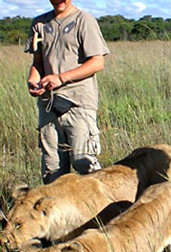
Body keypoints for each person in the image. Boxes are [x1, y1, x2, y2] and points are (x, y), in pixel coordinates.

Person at [25, 0, 110, 184]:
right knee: (52, 170)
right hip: (48, 105)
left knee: (85, 166)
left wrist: (61, 78)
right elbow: (37, 63)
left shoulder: (84, 20)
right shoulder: (39, 24)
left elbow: (97, 62)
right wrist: (33, 80)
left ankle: (99, 212)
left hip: (78, 104)